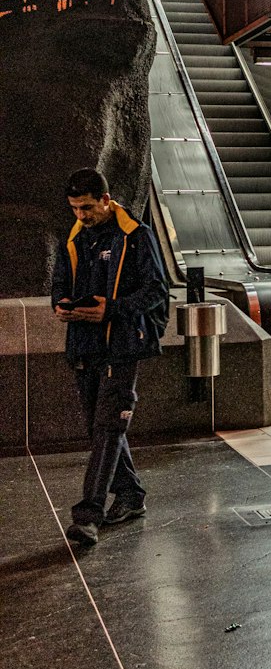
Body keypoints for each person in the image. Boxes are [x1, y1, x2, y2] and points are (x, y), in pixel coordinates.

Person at [51, 168, 169, 547]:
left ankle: (88, 515)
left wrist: (112, 309)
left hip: (122, 343)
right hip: (84, 342)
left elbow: (157, 290)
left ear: (105, 199)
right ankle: (132, 495)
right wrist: (62, 306)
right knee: (99, 427)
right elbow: (58, 284)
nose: (81, 216)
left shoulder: (136, 235)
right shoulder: (74, 238)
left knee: (108, 427)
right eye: (74, 209)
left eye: (86, 207)